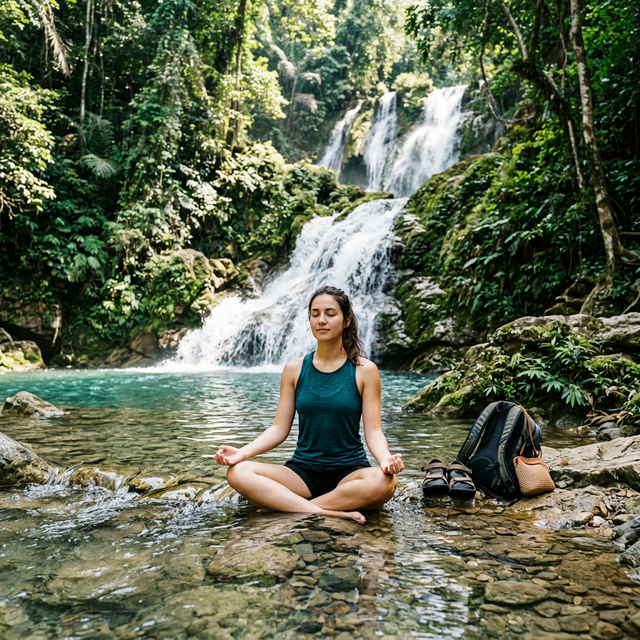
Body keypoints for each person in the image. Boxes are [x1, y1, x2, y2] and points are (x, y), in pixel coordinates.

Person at [215, 285, 404, 523]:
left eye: (330, 313)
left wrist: (385, 459)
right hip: (302, 473)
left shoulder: (365, 371)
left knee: (385, 482)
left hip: (349, 471)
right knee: (238, 472)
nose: (321, 320)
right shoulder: (294, 369)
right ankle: (328, 511)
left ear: (346, 321)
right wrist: (241, 453)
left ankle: (289, 507)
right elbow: (278, 429)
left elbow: (374, 430)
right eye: (315, 314)